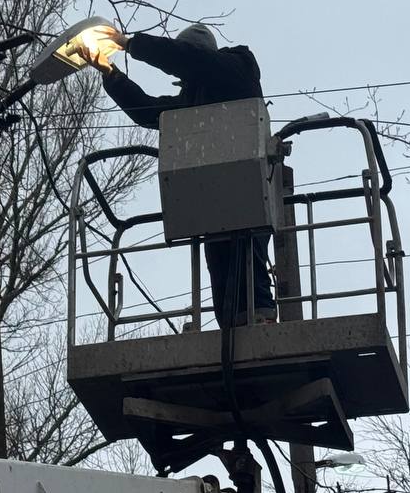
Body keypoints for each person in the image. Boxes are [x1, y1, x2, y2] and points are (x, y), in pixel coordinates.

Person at [82, 23, 277, 327]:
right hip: (214, 197)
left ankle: (261, 317)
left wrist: (130, 43)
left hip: (248, 190)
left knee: (249, 256)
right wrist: (110, 74)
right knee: (220, 266)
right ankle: (232, 326)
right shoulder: (191, 100)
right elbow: (148, 110)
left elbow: (190, 60)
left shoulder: (238, 68)